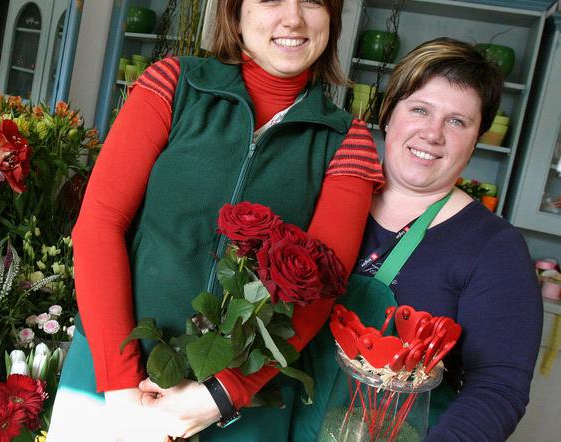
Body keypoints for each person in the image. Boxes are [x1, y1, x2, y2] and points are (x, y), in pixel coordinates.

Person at [47, 0, 384, 440]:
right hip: (111, 378)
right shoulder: (173, 84)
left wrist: (221, 394)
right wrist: (122, 390)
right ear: (235, 12)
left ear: (332, 19)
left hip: (243, 407)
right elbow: (99, 225)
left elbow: (320, 289)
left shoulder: (348, 142)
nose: (294, 17)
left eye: (314, 1)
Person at [299, 37, 543, 442]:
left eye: (457, 121)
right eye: (419, 109)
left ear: (477, 136)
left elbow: (498, 389)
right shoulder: (325, 193)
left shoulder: (494, 248)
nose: (432, 134)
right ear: (388, 114)